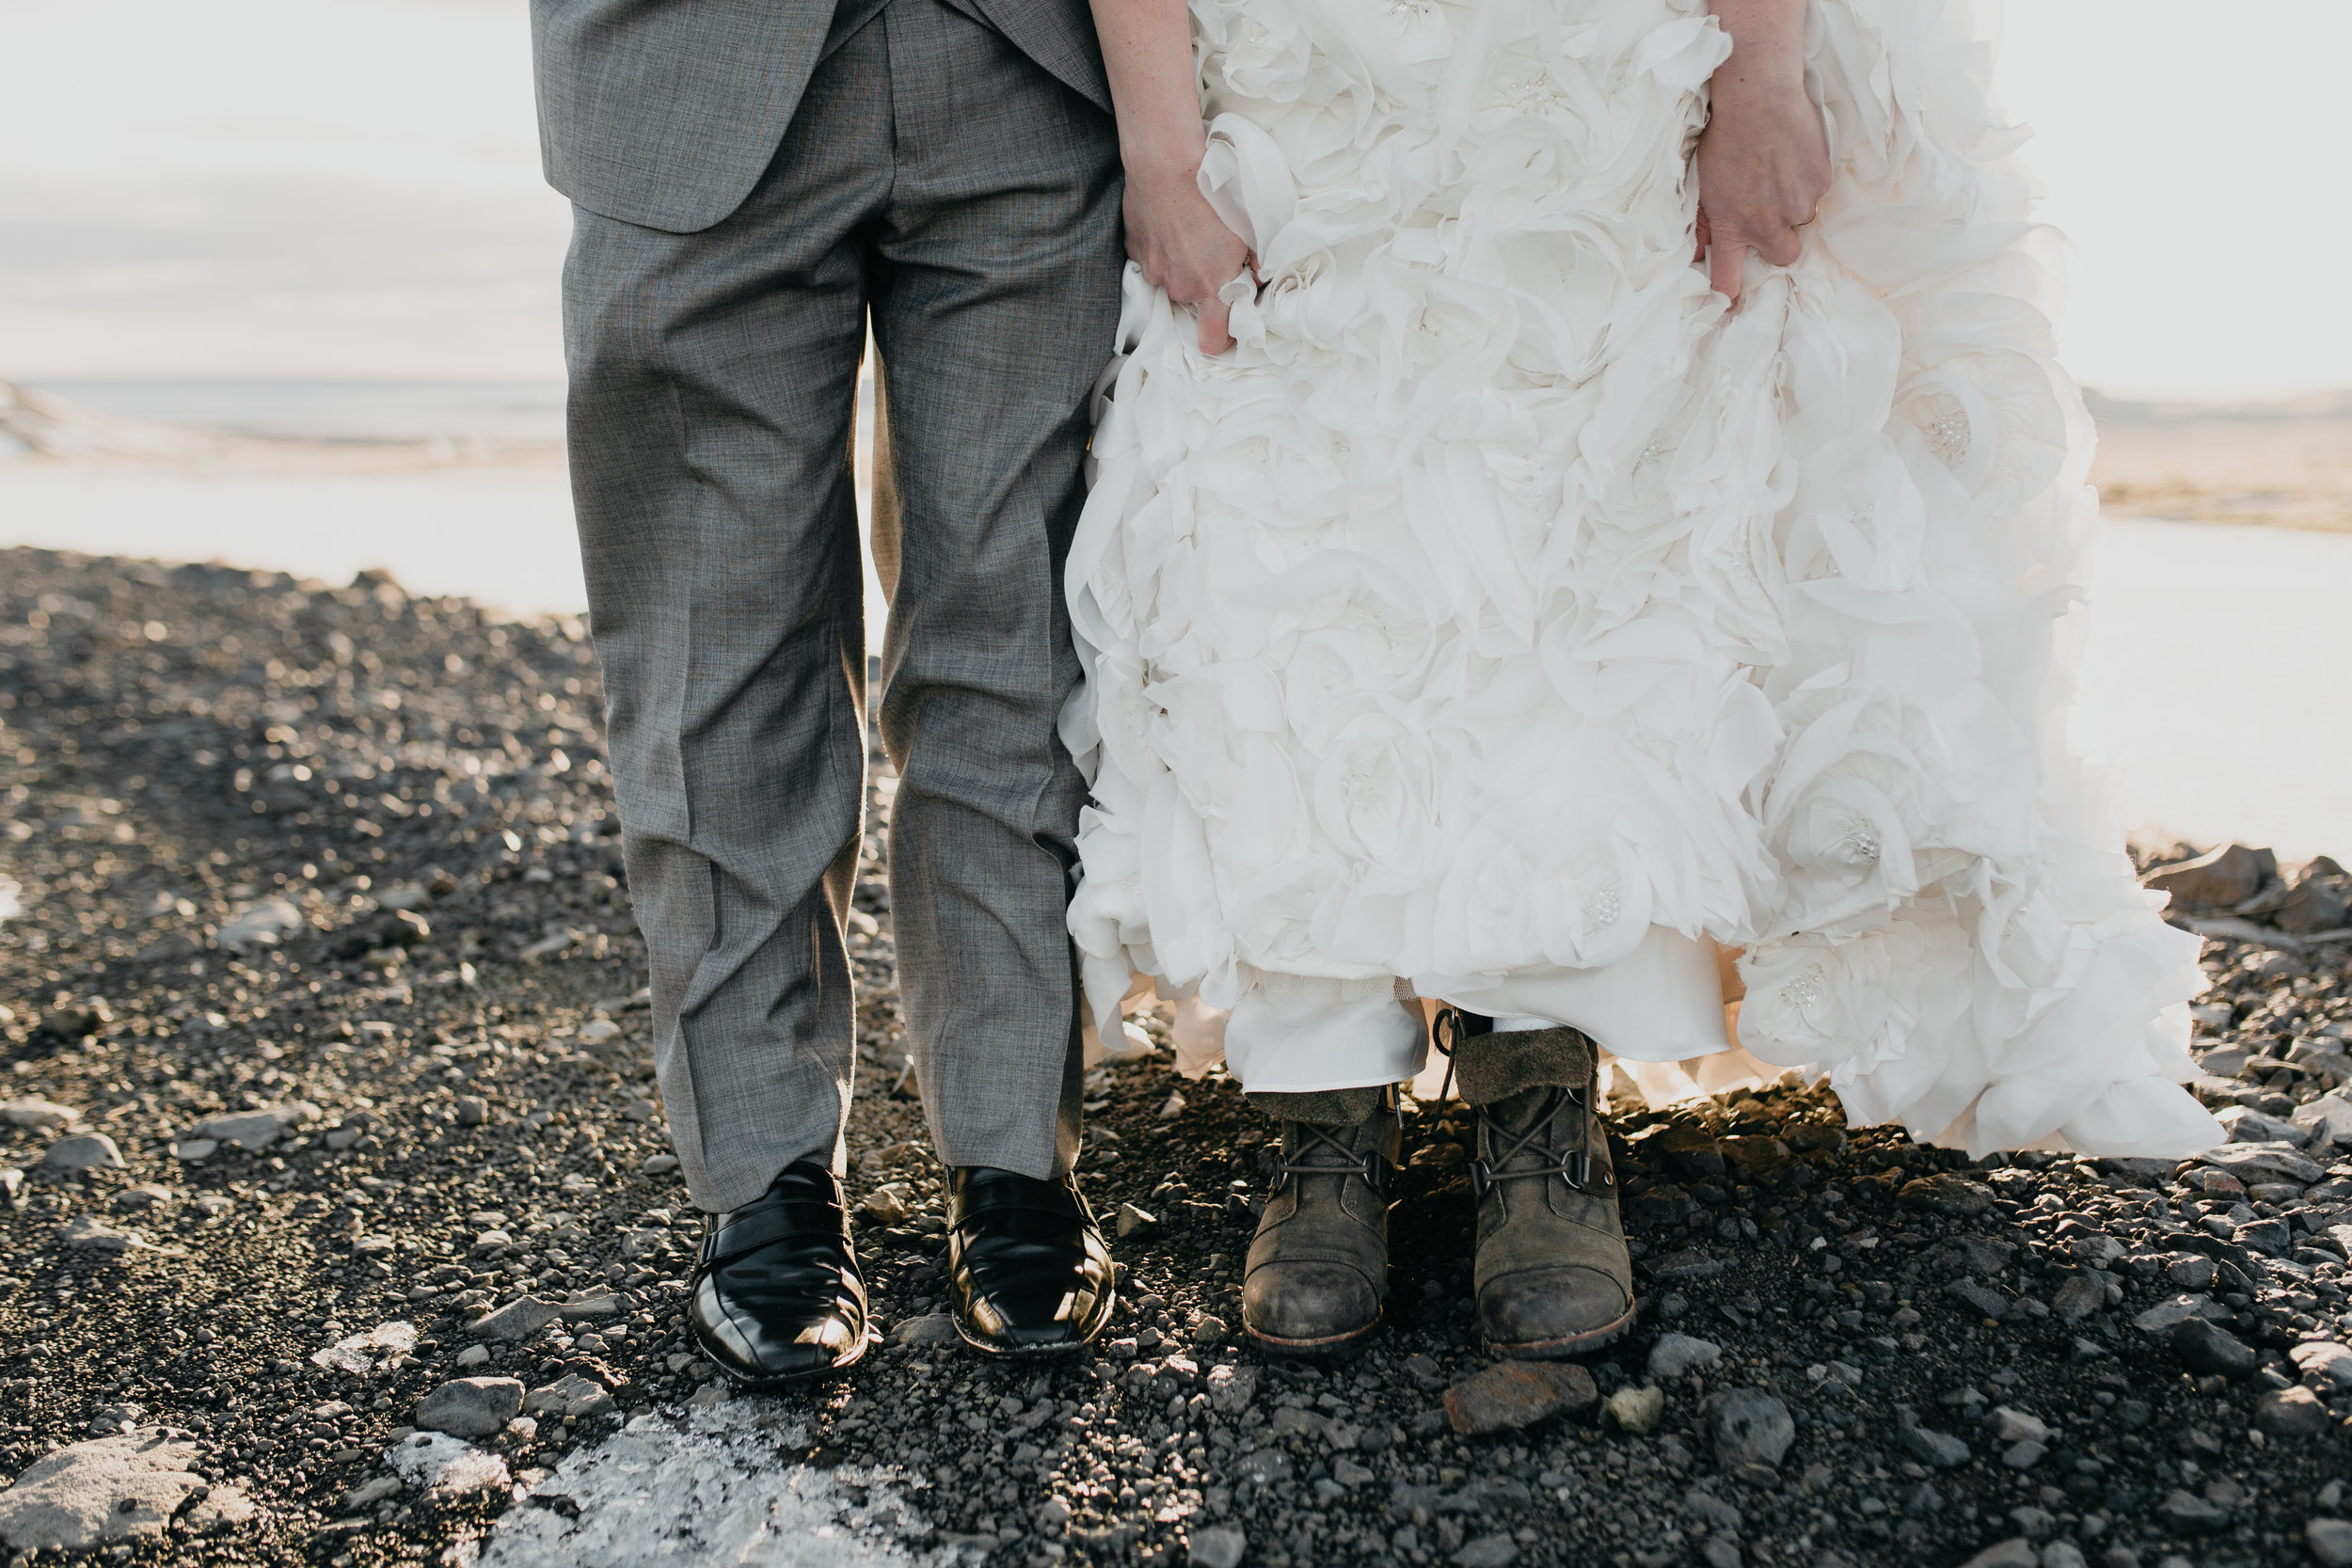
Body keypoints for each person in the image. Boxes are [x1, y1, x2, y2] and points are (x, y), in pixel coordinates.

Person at [1064, 0, 2224, 1357]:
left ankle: (1537, 1080)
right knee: (1291, 530)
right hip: (1293, 58)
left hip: (1575, 57)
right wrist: (1159, 147)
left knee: (1585, 534)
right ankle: (1323, 1101)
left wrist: (1764, 72)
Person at [528, 0, 1130, 1383]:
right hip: (681, 66)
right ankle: (768, 1172)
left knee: (1014, 629)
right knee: (712, 649)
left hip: (1026, 55)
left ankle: (1013, 1155)